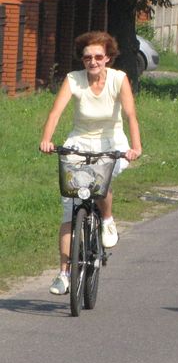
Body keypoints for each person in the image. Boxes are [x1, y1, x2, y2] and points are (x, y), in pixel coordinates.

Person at [39, 31, 143, 295]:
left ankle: (106, 218)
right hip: (79, 141)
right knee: (70, 206)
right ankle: (64, 274)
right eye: (87, 57)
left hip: (111, 141)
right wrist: (47, 140)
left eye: (98, 56)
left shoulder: (118, 79)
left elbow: (130, 114)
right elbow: (56, 112)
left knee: (100, 182)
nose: (93, 62)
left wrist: (135, 147)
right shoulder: (73, 79)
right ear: (82, 59)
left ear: (107, 57)